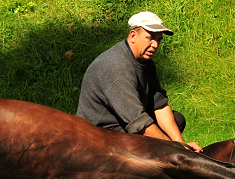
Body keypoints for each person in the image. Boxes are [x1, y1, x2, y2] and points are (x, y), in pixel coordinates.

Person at [77, 11, 202, 152]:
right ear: (133, 36)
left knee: (177, 120)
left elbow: (159, 105)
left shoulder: (145, 62)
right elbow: (137, 122)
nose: (155, 44)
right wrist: (173, 148)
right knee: (157, 145)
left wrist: (181, 144)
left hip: (126, 123)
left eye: (159, 39)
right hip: (101, 135)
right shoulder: (116, 67)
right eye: (150, 38)